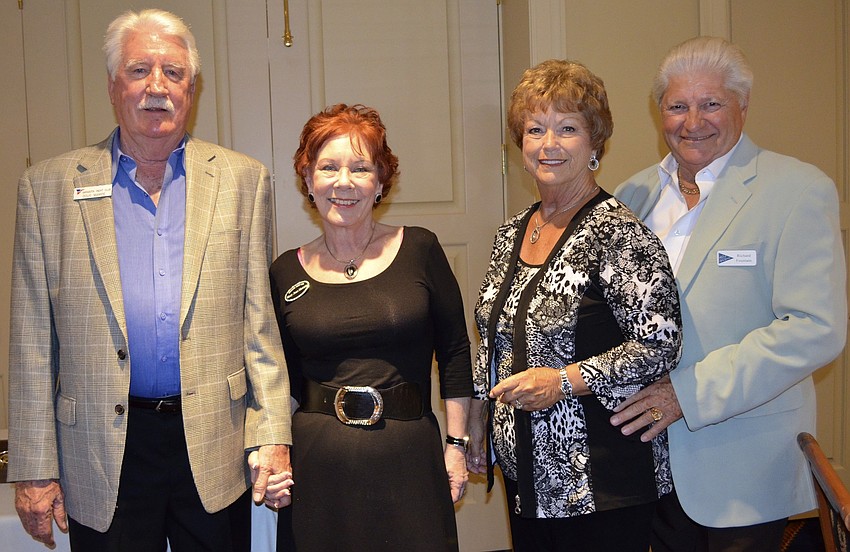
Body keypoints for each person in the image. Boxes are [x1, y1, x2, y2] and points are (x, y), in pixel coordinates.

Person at [8, 9, 293, 551]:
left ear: (192, 87)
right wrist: (34, 467)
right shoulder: (46, 187)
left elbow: (261, 329)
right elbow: (31, 345)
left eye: (173, 72)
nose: (157, 87)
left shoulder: (243, 180)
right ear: (113, 85)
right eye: (140, 70)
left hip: (213, 442)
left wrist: (274, 434)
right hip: (99, 451)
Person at [612, 36, 847, 551]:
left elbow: (814, 329)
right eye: (677, 106)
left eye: (711, 103)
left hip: (743, 465)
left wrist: (687, 394)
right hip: (645, 466)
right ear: (660, 114)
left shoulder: (796, 189)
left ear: (743, 107)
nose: (692, 121)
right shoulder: (631, 196)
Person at [467, 59, 682, 552]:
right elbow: (494, 333)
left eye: (567, 129)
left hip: (601, 482)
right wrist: (480, 414)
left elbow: (660, 344)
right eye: (535, 129)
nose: (548, 144)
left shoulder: (618, 233)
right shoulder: (512, 232)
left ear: (594, 145)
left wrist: (563, 381)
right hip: (528, 473)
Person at [270, 103, 473, 551]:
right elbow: (274, 378)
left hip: (410, 461)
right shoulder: (285, 272)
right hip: (318, 468)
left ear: (381, 181)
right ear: (308, 179)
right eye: (328, 167)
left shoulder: (420, 249)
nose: (344, 183)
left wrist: (456, 445)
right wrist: (273, 451)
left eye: (360, 168)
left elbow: (456, 352)